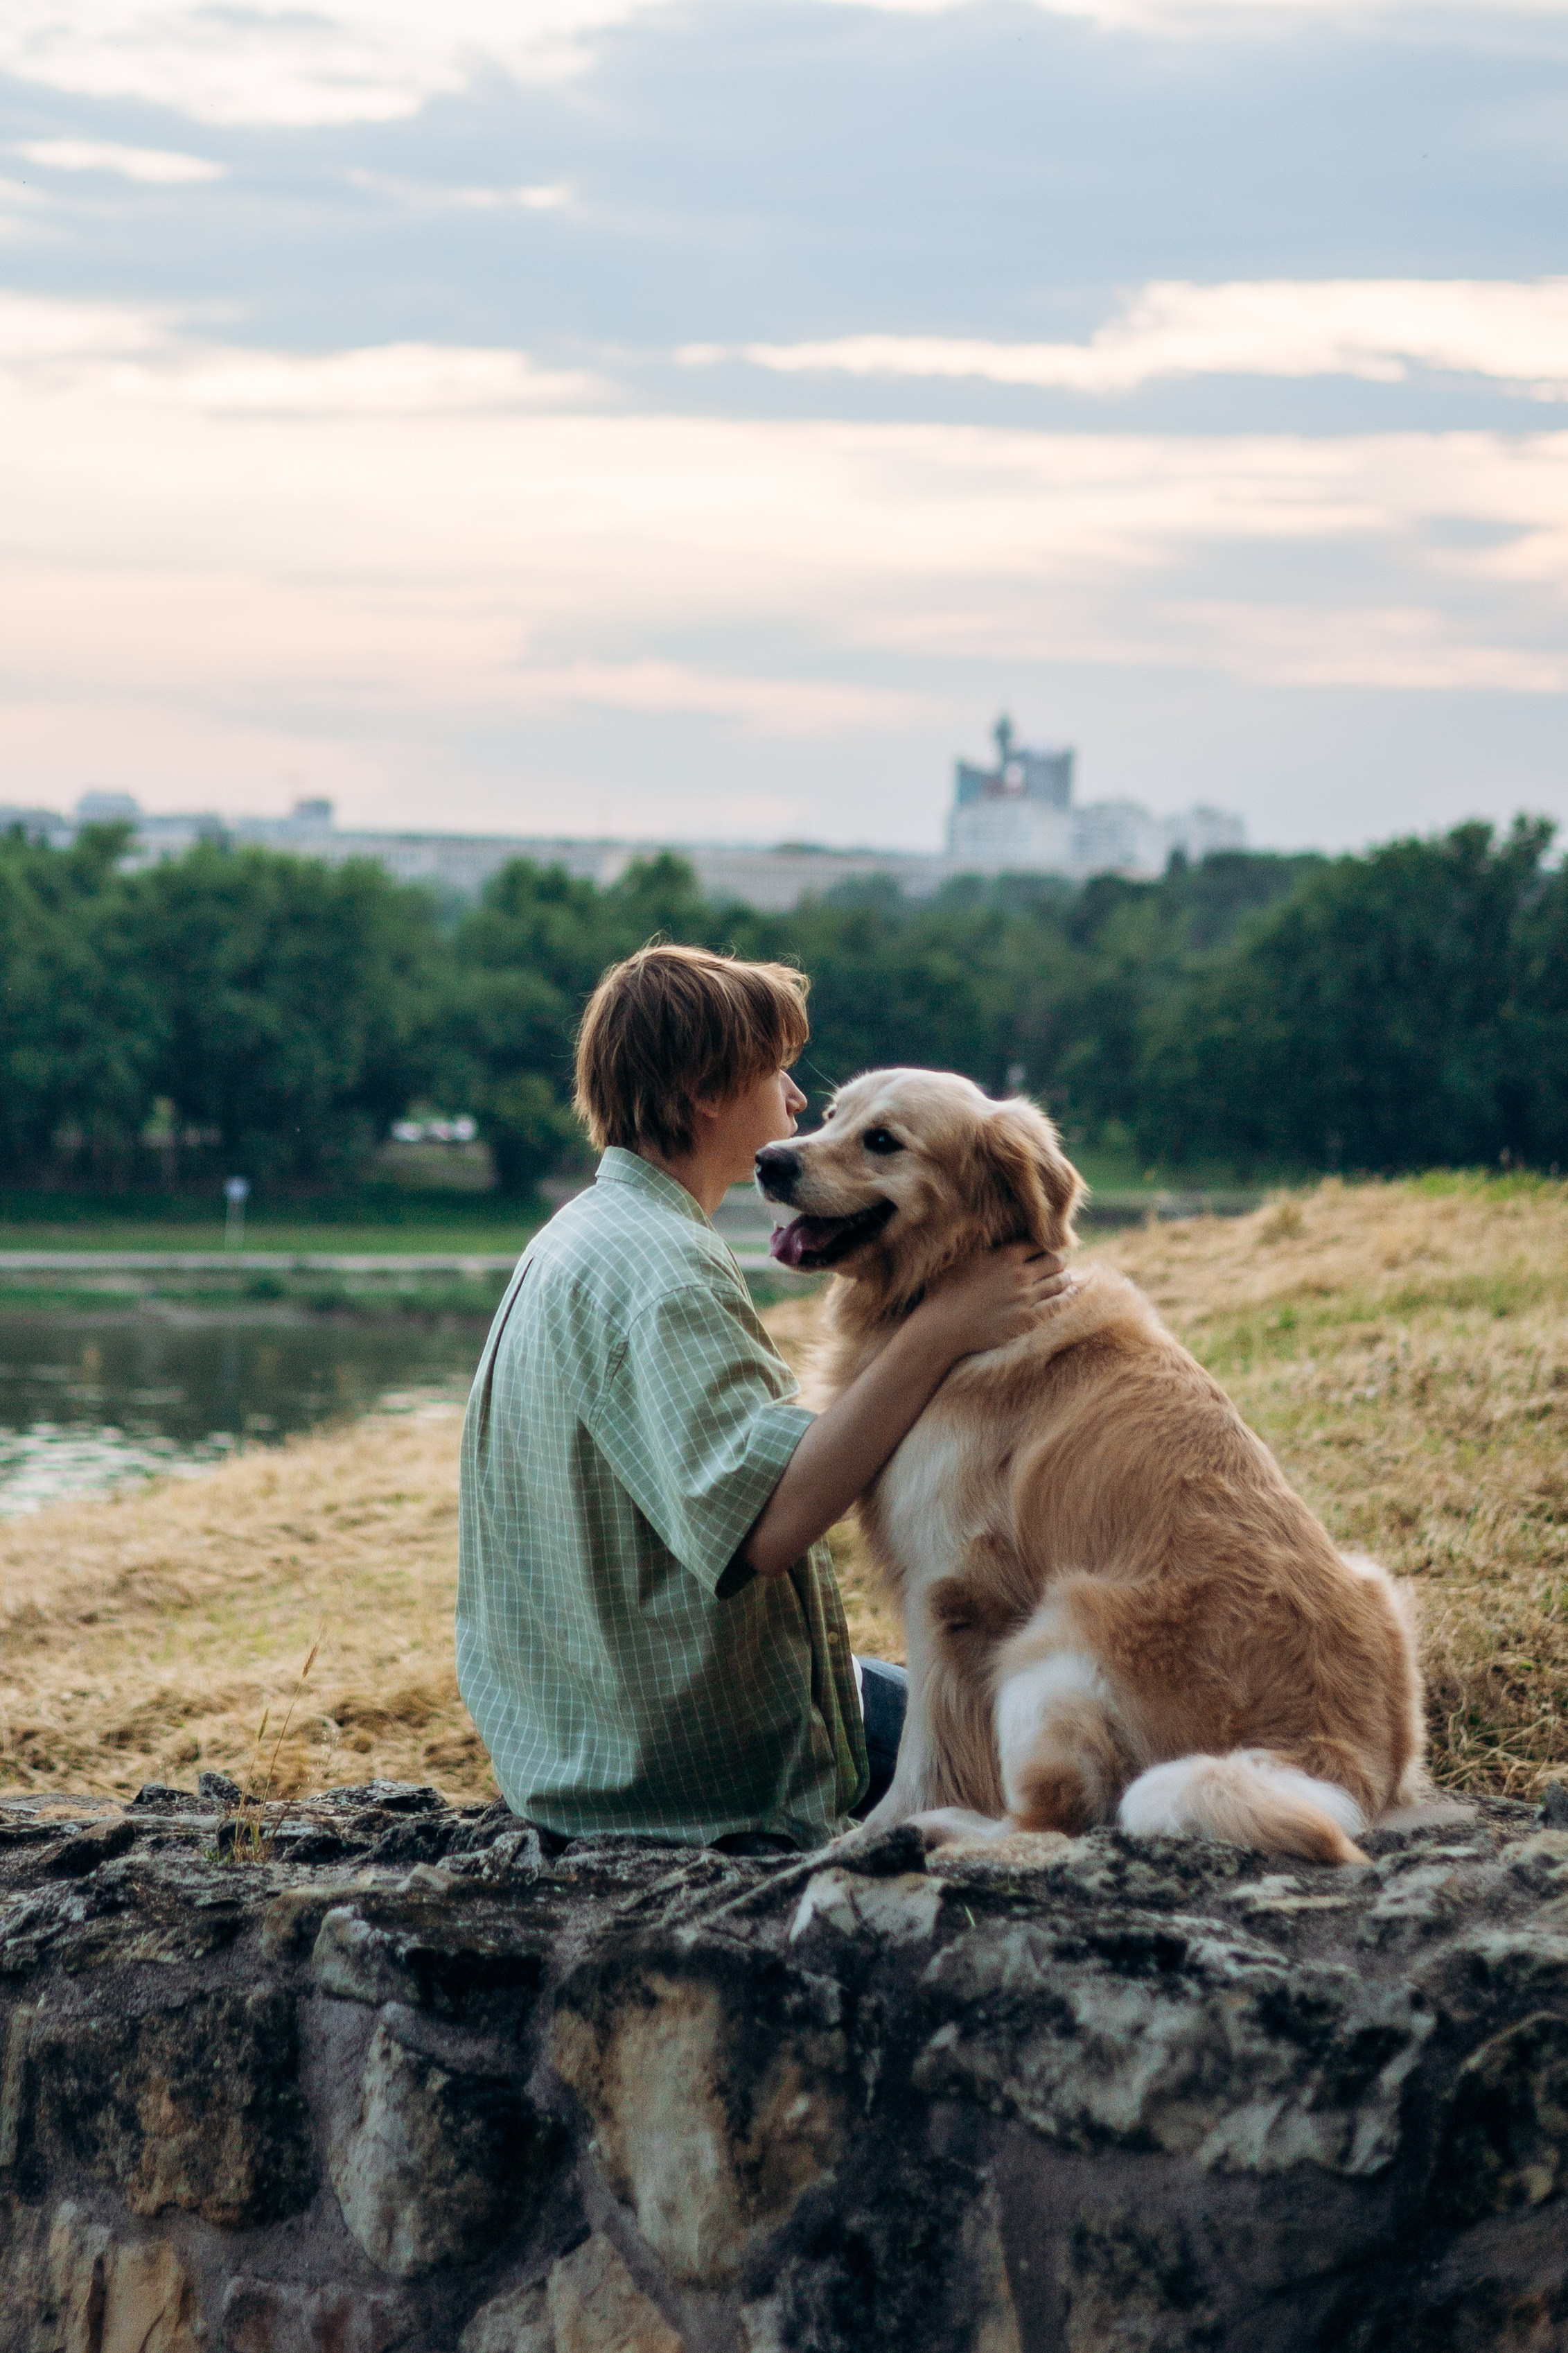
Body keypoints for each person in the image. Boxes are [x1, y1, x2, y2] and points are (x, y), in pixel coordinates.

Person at [457, 943, 1068, 1850]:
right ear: (706, 1090)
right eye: (777, 1071)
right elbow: (769, 1527)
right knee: (1032, 1718)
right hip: (684, 1771)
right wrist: (942, 1329)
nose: (795, 1103)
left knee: (934, 1692)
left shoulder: (579, 1235)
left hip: (572, 1737)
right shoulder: (665, 1269)